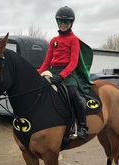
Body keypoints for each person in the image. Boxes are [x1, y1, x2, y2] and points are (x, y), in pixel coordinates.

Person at [38, 6, 90, 140]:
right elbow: (47, 62)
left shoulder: (74, 40)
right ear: (57, 22)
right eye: (60, 22)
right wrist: (38, 73)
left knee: (72, 94)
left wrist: (62, 76)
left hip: (68, 73)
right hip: (53, 71)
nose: (62, 25)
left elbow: (73, 62)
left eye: (65, 22)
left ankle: (83, 126)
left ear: (71, 23)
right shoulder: (53, 41)